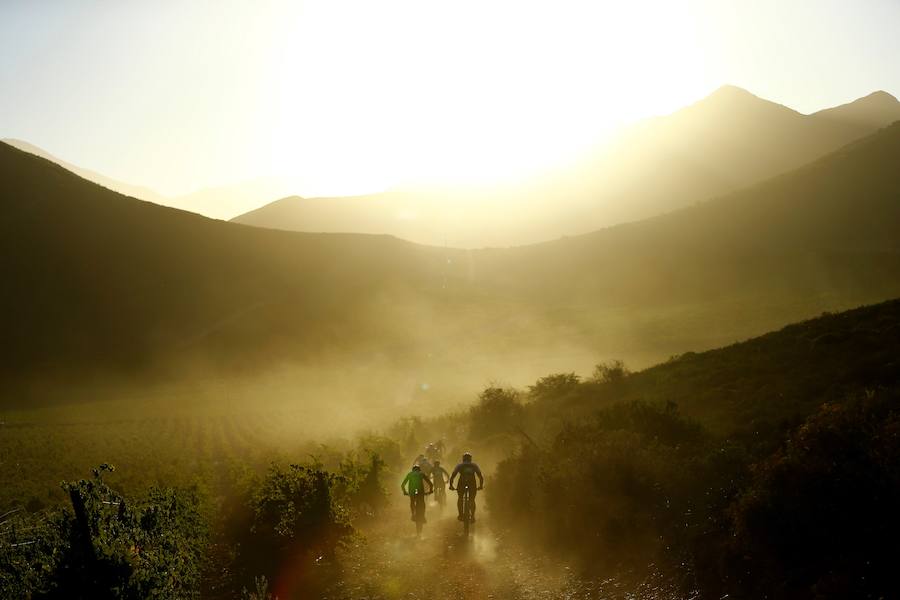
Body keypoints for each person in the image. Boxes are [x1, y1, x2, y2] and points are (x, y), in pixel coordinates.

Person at [449, 452, 484, 522]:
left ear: (463, 459)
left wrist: (451, 485)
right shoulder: (474, 465)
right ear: (470, 459)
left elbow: (453, 475)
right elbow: (480, 476)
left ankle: (461, 515)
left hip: (461, 483)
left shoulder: (460, 465)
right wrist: (481, 485)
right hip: (472, 484)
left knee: (460, 498)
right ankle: (473, 516)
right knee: (472, 500)